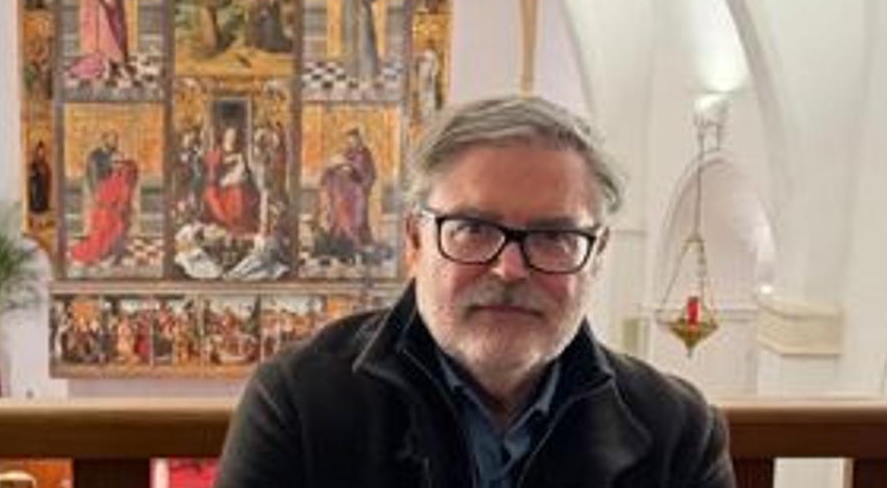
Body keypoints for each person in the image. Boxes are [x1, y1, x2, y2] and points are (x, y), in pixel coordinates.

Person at [217, 95, 735, 488]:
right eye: (474, 229)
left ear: (596, 257)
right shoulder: (301, 403)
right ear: (416, 241)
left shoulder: (677, 432)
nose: (509, 269)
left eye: (554, 236)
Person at [316, 127, 376, 261]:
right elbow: (336, 165)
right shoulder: (347, 152)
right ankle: (340, 246)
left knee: (352, 214)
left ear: (359, 139)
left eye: (353, 139)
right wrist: (335, 168)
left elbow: (369, 174)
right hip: (344, 192)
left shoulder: (365, 153)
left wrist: (353, 170)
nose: (351, 142)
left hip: (357, 192)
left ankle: (354, 246)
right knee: (338, 208)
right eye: (349, 140)